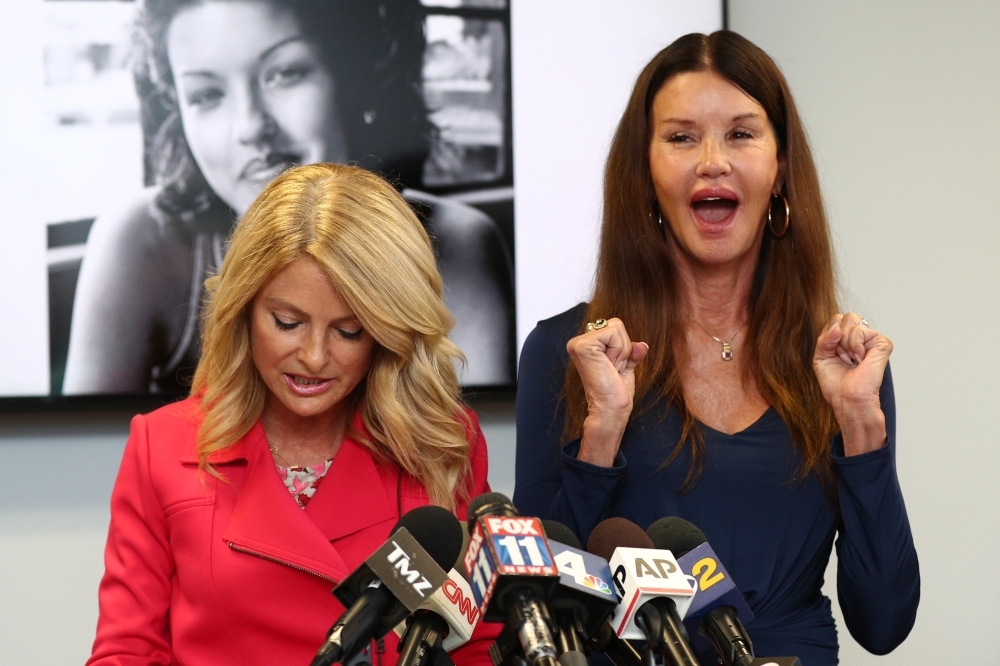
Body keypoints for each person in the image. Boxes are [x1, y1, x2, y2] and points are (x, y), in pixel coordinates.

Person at [513, 31, 919, 665]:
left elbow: (885, 622)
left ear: (780, 167)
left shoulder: (842, 367)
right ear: (644, 173)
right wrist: (602, 435)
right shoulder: (568, 353)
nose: (712, 161)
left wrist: (863, 430)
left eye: (741, 134)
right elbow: (533, 615)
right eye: (680, 137)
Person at [88, 163, 500, 665]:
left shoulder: (443, 442)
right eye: (287, 323)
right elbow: (126, 651)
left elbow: (476, 645)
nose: (314, 356)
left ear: (388, 332)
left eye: (349, 331)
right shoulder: (163, 445)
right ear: (243, 308)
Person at [63, 0, 515, 395]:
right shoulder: (141, 242)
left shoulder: (456, 245)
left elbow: (477, 466)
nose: (251, 126)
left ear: (356, 75)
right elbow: (75, 470)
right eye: (206, 95)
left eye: (284, 73)